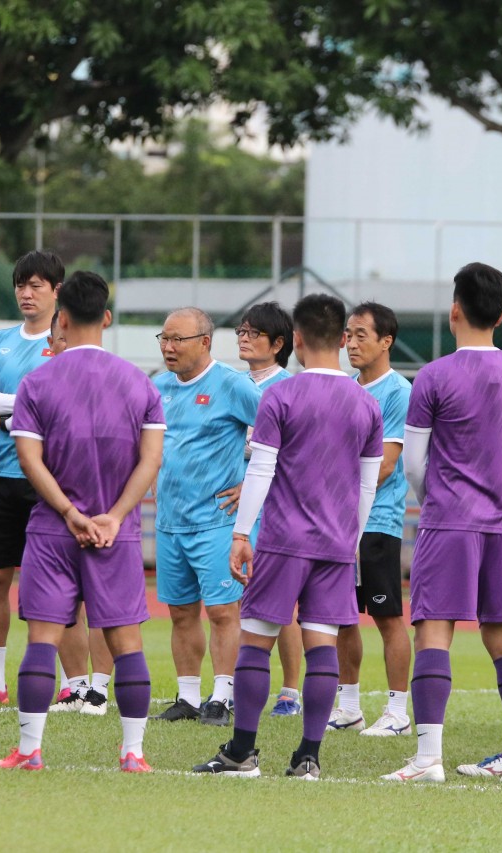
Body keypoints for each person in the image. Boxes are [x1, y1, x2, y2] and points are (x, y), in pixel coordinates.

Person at [193, 293, 383, 781]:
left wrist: (240, 533)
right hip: (335, 546)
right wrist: (351, 540)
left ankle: (242, 752)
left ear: (295, 340)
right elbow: (367, 483)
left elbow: (261, 468)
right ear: (342, 339)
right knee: (322, 647)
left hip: (282, 541)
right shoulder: (367, 404)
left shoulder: (282, 395)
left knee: (255, 643)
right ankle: (308, 757)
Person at [0, 270, 164, 772]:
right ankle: (133, 752)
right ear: (106, 318)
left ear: (60, 319)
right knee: (126, 643)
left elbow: (29, 459)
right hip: (117, 533)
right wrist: (112, 516)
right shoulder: (140, 383)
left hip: (52, 529)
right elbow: (150, 460)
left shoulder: (37, 382)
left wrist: (69, 513)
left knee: (42, 639)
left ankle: (29, 751)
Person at [384, 263, 502, 785]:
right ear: (501, 314)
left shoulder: (432, 376)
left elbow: (412, 463)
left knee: (433, 635)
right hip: (501, 527)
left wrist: (440, 501)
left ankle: (428, 758)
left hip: (447, 524)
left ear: (455, 310)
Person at [151, 308, 261, 726]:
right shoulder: (157, 387)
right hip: (170, 521)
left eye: (178, 339)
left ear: (205, 342)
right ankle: (188, 697)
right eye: (164, 338)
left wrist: (251, 483)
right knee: (180, 612)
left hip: (216, 521)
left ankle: (223, 697)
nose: (168, 347)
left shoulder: (232, 386)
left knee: (221, 612)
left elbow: (281, 436)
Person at [0, 251, 62, 704]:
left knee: (57, 583)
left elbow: (60, 407)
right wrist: (27, 408)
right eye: (21, 285)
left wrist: (9, 408)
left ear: (56, 291)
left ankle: (77, 685)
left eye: (36, 285)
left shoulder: (64, 343)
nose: (26, 293)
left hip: (49, 477)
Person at [328, 302, 413, 737]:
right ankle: (349, 705)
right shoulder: (344, 388)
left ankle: (398, 711)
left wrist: (325, 484)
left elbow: (383, 465)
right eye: (349, 333)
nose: (352, 342)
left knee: (387, 616)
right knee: (342, 615)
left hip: (376, 521)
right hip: (340, 522)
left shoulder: (398, 391)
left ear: (386, 341)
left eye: (363, 334)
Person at [235, 302, 304, 718]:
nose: (243, 338)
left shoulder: (288, 389)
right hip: (239, 509)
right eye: (241, 331)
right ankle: (231, 688)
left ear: (279, 343)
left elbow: (288, 457)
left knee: (281, 604)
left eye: (253, 332)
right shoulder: (236, 384)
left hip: (275, 508)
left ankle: (290, 690)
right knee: (239, 604)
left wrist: (249, 484)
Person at [46, 310, 116, 715]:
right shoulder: (42, 387)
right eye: (57, 339)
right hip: (56, 510)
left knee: (101, 602)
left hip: (103, 507)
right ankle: (74, 686)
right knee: (63, 604)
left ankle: (100, 689)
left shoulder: (114, 380)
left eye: (66, 337)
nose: (62, 345)